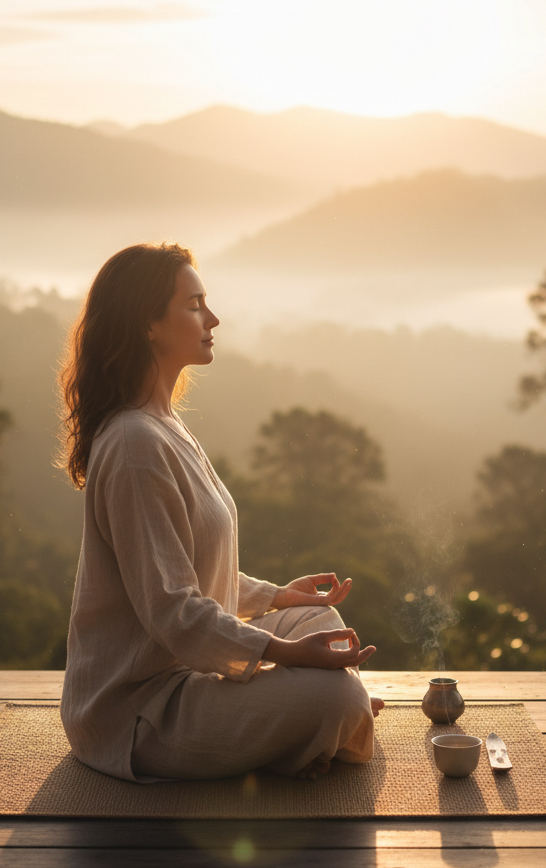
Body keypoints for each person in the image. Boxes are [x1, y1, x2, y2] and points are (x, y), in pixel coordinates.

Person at [58, 242, 384, 782]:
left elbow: (185, 571)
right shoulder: (135, 443)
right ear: (148, 325)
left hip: (189, 674)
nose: (212, 318)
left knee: (319, 623)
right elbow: (173, 610)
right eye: (194, 305)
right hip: (140, 714)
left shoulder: (163, 423)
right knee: (335, 695)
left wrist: (279, 598)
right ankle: (322, 726)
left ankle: (309, 729)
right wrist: (290, 658)